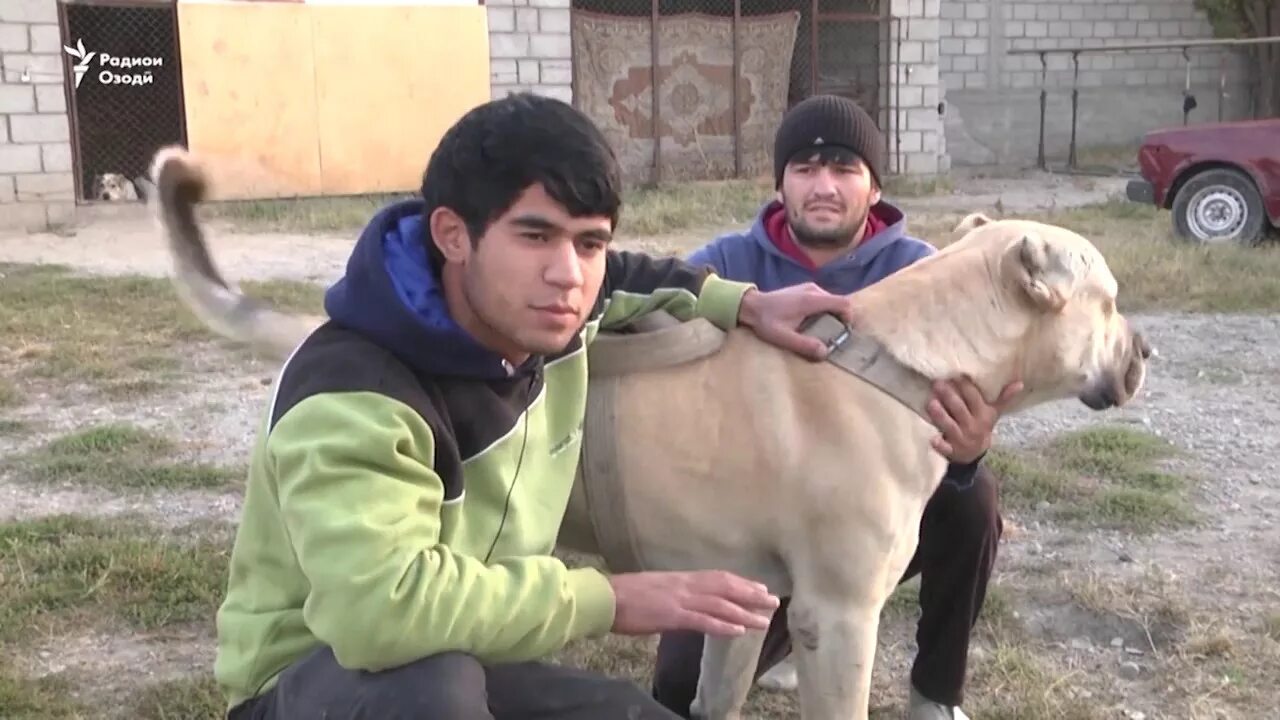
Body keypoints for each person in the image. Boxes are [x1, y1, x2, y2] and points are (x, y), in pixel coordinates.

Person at [212, 91, 863, 720]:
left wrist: (749, 303)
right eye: (534, 236)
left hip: (469, 651)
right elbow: (381, 612)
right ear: (453, 235)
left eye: (588, 242)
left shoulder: (548, 313)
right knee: (433, 693)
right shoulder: (356, 387)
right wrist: (608, 600)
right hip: (322, 680)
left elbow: (632, 278)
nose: (568, 275)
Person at [649, 95, 1021, 720]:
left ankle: (935, 696)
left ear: (874, 187)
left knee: (973, 498)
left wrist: (970, 446)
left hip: (865, 520)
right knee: (676, 691)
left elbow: (960, 408)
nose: (824, 186)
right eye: (806, 168)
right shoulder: (725, 265)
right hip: (747, 533)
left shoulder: (922, 274)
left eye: (845, 169)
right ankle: (791, 630)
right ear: (780, 184)